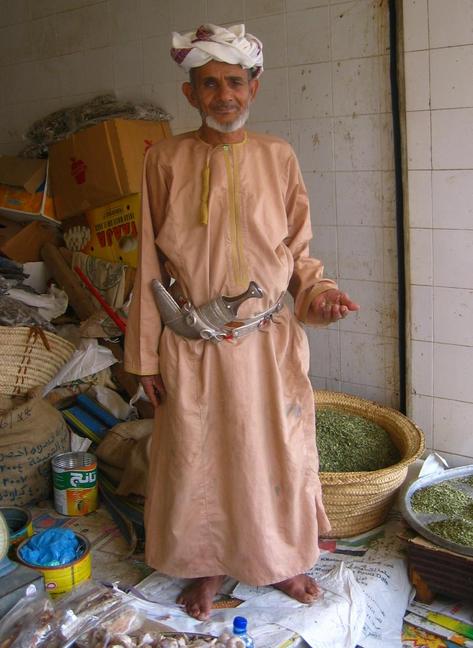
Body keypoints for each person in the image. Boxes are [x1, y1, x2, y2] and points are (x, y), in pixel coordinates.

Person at [124, 23, 359, 621]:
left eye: (234, 81)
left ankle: (279, 561)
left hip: (267, 343)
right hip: (193, 343)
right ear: (190, 95)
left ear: (254, 88)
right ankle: (206, 566)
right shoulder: (164, 159)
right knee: (195, 457)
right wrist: (145, 358)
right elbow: (148, 263)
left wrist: (322, 295)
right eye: (208, 84)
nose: (222, 95)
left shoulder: (279, 157)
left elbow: (299, 256)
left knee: (273, 455)